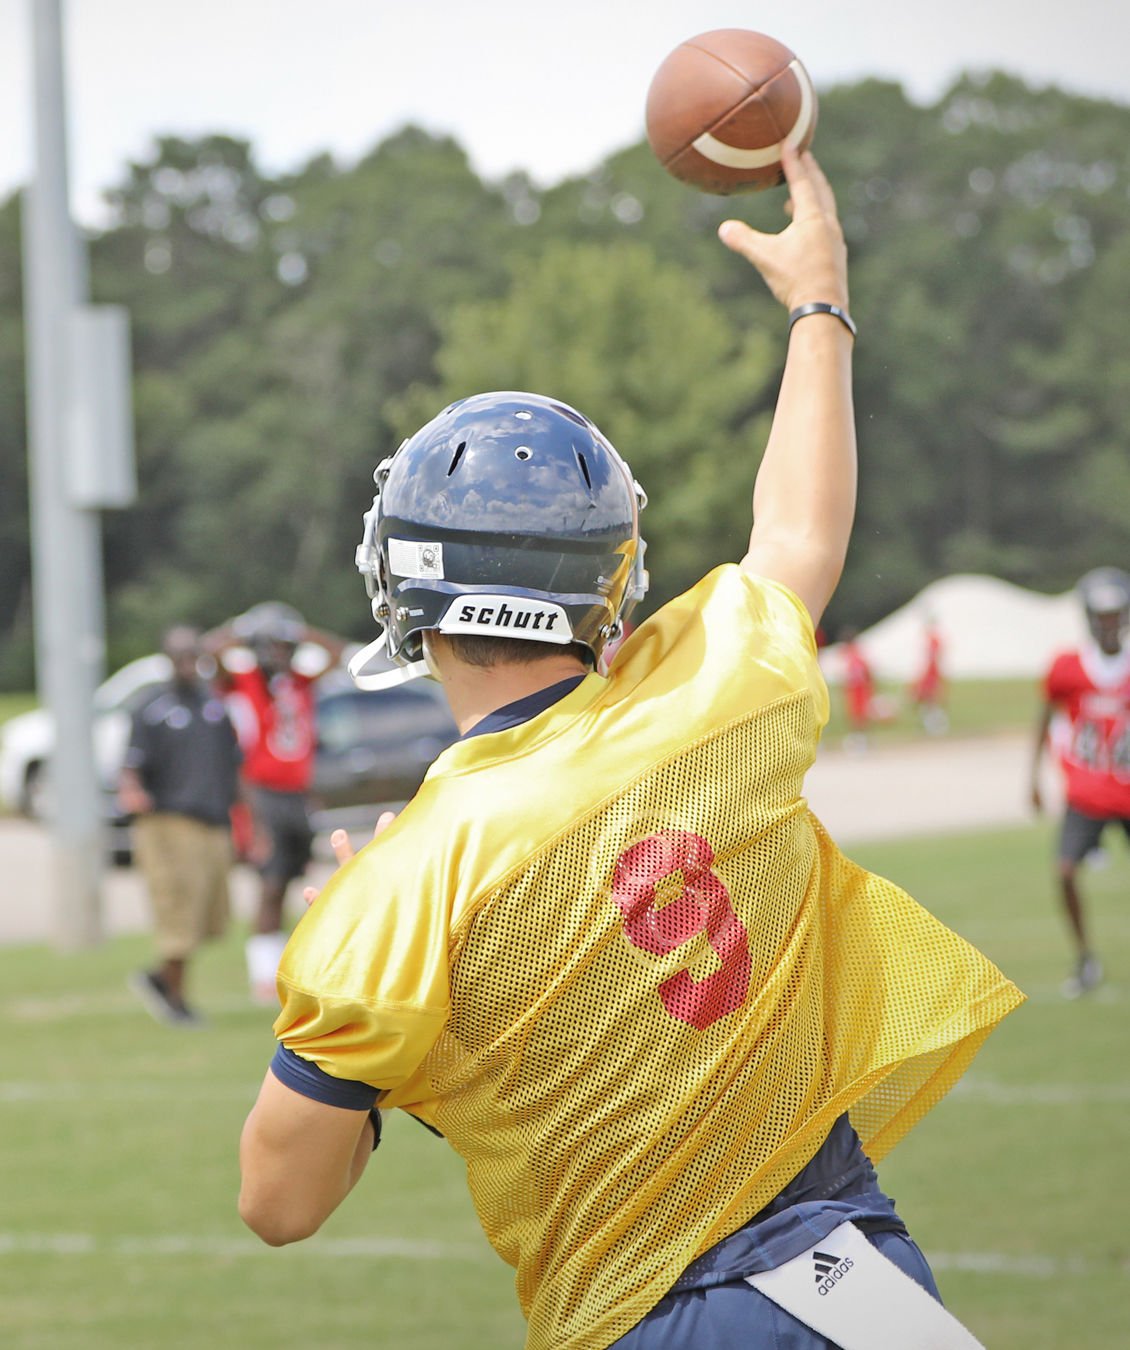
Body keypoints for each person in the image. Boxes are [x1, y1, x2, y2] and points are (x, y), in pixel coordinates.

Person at [238, 150, 1024, 1350]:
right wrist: (819, 302)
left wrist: (382, 990)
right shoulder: (712, 691)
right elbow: (798, 529)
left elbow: (277, 1205)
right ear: (609, 578)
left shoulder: (396, 891)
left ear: (404, 583)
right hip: (863, 1282)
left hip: (661, 1318)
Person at [203, 602, 349, 1004]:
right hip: (262, 793)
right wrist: (243, 626)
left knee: (296, 882)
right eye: (274, 645)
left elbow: (341, 654)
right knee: (269, 884)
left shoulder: (299, 681)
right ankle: (263, 977)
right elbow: (208, 651)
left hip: (297, 794)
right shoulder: (245, 680)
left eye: (285, 647)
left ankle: (291, 966)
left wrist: (300, 630)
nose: (280, 653)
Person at [119, 625, 242, 1026]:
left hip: (212, 820)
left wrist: (247, 821)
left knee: (211, 916)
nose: (189, 664)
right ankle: (175, 998)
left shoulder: (214, 706)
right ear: (168, 660)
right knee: (179, 911)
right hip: (168, 821)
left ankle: (158, 979)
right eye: (181, 656)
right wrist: (132, 792)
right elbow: (131, 766)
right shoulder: (151, 707)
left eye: (195, 655)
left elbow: (234, 765)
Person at [1031, 566, 1130, 998]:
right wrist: (1031, 776)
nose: (1108, 624)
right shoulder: (1067, 667)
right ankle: (1086, 957)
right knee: (1065, 870)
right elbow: (1044, 717)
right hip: (1087, 791)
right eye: (1100, 615)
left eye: (1115, 614)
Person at [910, 615, 948, 735]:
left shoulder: (933, 640)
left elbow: (933, 658)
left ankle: (936, 724)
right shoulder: (931, 640)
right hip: (929, 672)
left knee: (930, 699)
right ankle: (929, 723)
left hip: (931, 673)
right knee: (924, 700)